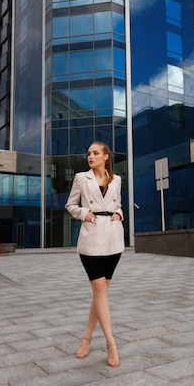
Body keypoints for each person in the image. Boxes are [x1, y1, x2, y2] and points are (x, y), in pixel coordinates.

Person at [65, 141, 124, 368]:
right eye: (88, 153)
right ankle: (111, 344)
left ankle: (86, 338)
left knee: (100, 294)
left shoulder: (116, 179)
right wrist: (84, 213)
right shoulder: (82, 178)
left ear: (106, 156)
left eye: (95, 153)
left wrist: (119, 214)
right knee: (99, 290)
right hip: (91, 240)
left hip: (113, 239)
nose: (90, 156)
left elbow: (118, 204)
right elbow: (70, 204)